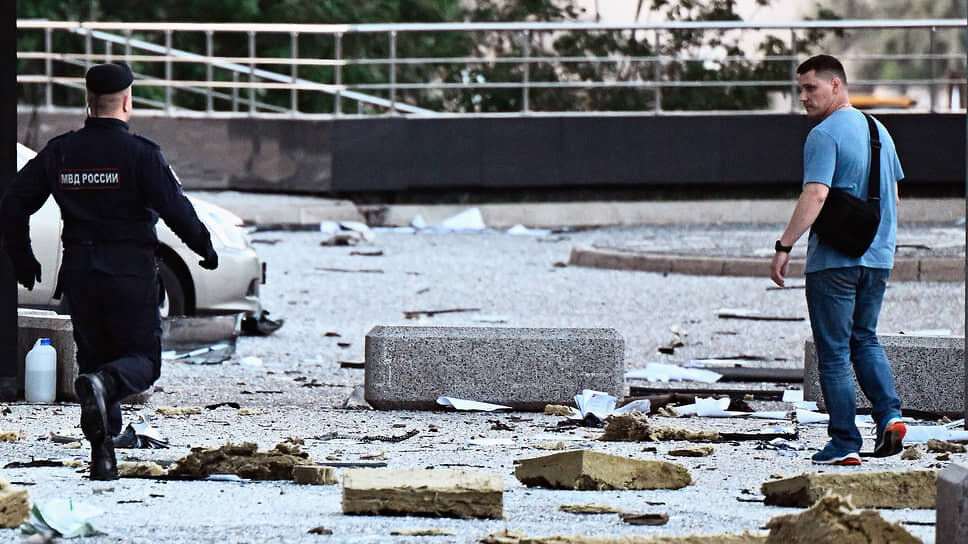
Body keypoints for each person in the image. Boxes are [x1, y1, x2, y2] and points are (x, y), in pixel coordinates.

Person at [0, 62, 219, 480]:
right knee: (139, 363)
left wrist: (22, 256)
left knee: (94, 363)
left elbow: (12, 201)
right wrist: (204, 247)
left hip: (80, 273)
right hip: (130, 273)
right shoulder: (142, 154)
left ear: (89, 100)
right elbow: (177, 210)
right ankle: (105, 392)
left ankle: (103, 458)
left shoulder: (61, 151)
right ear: (126, 101)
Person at [770, 54, 905, 466]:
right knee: (864, 338)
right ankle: (890, 417)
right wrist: (882, 246)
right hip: (878, 257)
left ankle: (845, 441)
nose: (803, 98)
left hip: (835, 261)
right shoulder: (880, 131)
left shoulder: (824, 134)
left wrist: (784, 245)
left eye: (811, 88)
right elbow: (894, 197)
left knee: (832, 352)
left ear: (835, 85)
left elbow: (816, 194)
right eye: (800, 90)